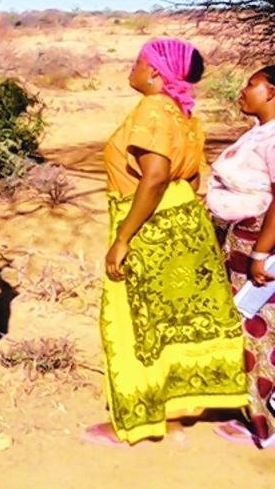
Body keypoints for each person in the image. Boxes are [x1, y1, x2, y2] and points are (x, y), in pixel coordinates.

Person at [84, 38, 247, 446]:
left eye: (139, 61)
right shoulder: (183, 114)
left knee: (134, 323)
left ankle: (140, 419)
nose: (132, 67)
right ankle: (191, 405)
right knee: (178, 323)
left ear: (156, 74)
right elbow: (190, 181)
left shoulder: (153, 110)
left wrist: (124, 238)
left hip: (147, 223)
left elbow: (154, 176)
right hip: (184, 220)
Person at [206, 65, 275, 448]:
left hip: (258, 247)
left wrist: (262, 252)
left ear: (272, 93)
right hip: (242, 243)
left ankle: (267, 422)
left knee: (260, 330)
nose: (242, 90)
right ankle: (255, 411)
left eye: (252, 85)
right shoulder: (259, 134)